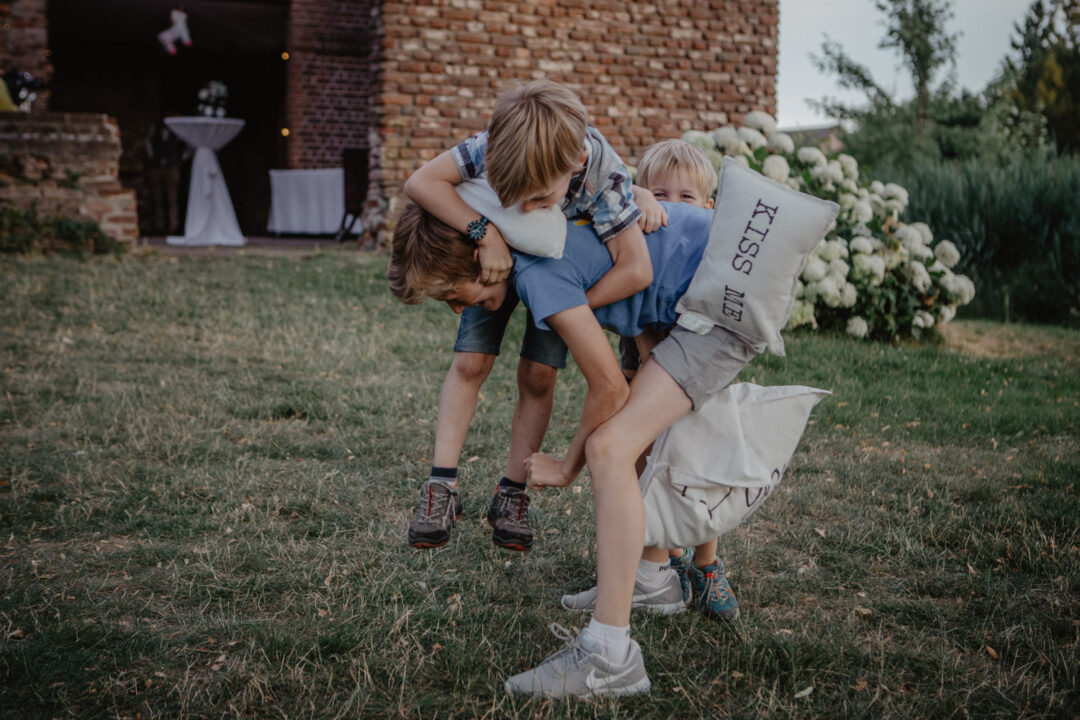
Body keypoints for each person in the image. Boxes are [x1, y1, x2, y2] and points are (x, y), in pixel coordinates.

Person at [388, 196, 768, 698]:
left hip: (724, 300)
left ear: (481, 262)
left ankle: (609, 657)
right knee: (636, 434)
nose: (458, 310)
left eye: (453, 296)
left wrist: (567, 468)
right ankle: (652, 580)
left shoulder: (537, 274)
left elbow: (608, 388)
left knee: (607, 448)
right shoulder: (535, 242)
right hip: (715, 283)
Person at [401, 79, 664, 551]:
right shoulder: (494, 143)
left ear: (575, 164)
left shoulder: (603, 175)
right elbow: (420, 181)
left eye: (539, 198)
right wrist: (486, 234)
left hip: (557, 275)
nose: (525, 207)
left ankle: (512, 492)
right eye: (512, 193)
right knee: (470, 362)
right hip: (490, 266)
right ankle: (442, 484)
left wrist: (571, 310)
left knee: (539, 375)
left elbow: (637, 269)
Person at [570, 139, 740, 623]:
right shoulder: (637, 227)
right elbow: (636, 293)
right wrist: (639, 200)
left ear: (708, 208)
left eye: (685, 199)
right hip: (642, 334)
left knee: (694, 457)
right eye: (658, 193)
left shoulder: (711, 253)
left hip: (698, 350)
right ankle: (650, 567)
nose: (670, 206)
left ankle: (706, 564)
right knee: (641, 454)